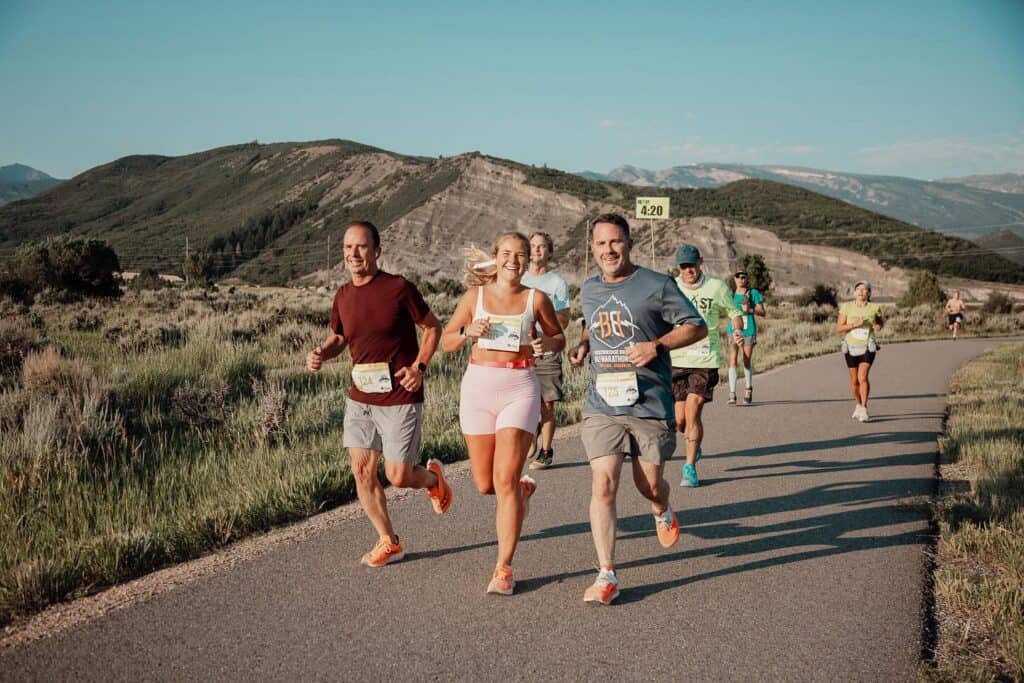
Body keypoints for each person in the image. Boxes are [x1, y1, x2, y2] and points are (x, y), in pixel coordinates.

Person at [570, 214, 706, 605]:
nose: (608, 250)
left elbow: (696, 326)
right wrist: (583, 345)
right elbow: (591, 323)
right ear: (592, 248)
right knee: (603, 483)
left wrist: (656, 346)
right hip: (603, 403)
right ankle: (606, 573)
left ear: (629, 243)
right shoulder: (589, 287)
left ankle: (661, 508)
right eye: (601, 244)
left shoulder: (657, 285)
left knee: (649, 486)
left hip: (649, 402)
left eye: (615, 242)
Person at [307, 221, 452, 568]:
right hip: (361, 397)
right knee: (361, 471)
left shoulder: (398, 288)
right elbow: (339, 338)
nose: (353, 253)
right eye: (348, 247)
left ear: (377, 251)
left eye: (361, 246)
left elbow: (432, 327)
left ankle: (433, 479)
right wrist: (321, 353)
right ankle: (389, 541)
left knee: (398, 476)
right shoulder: (342, 295)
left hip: (400, 395)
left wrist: (419, 367)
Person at [441, 232, 564, 595]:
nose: (513, 260)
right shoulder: (474, 296)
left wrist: (545, 343)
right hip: (478, 388)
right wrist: (467, 331)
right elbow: (446, 342)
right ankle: (522, 493)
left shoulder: (536, 298)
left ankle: (503, 568)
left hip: (519, 388)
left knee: (505, 480)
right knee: (485, 484)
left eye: (521, 254)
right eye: (507, 253)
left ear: (528, 260)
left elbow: (559, 337)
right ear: (496, 256)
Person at [669, 245, 743, 488]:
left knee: (693, 411)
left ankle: (689, 467)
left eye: (692, 265)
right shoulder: (670, 287)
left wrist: (738, 331)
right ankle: (694, 442)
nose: (688, 271)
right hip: (676, 358)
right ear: (678, 267)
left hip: (705, 359)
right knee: (680, 420)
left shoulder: (716, 287)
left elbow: (734, 312)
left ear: (700, 262)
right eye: (683, 266)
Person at [521, 231, 572, 470]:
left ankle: (546, 451)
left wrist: (546, 330)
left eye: (542, 246)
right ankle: (531, 433)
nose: (537, 250)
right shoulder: (519, 279)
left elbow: (564, 319)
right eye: (533, 245)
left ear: (550, 252)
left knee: (547, 404)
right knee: (524, 402)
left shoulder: (557, 283)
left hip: (547, 351)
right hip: (522, 350)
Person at [837, 280, 884, 422]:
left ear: (869, 293)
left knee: (862, 377)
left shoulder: (875, 307)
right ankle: (858, 404)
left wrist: (877, 326)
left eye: (865, 289)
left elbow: (880, 324)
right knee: (854, 381)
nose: (861, 291)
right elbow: (839, 328)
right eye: (859, 289)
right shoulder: (846, 307)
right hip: (850, 347)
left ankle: (864, 408)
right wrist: (854, 324)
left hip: (868, 346)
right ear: (854, 292)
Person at [725, 269, 766, 405]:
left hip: (748, 330)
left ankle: (748, 389)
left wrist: (750, 310)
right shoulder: (730, 294)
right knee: (732, 359)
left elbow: (762, 311)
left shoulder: (753, 293)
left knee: (746, 359)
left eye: (743, 277)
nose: (741, 279)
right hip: (732, 330)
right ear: (734, 279)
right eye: (738, 277)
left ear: (747, 279)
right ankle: (732, 393)